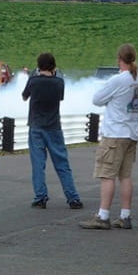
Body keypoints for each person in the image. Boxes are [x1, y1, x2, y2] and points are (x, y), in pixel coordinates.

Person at [79, 44, 138, 230]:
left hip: (115, 133)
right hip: (132, 133)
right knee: (125, 176)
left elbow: (97, 99)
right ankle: (125, 215)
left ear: (119, 59)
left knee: (107, 175)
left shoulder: (118, 80)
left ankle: (103, 215)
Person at [22, 53, 83, 210]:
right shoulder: (59, 83)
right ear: (53, 66)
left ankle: (40, 197)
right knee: (62, 164)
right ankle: (73, 198)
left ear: (39, 66)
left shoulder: (33, 81)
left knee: (38, 164)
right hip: (54, 127)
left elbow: (24, 96)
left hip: (36, 127)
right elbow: (60, 98)